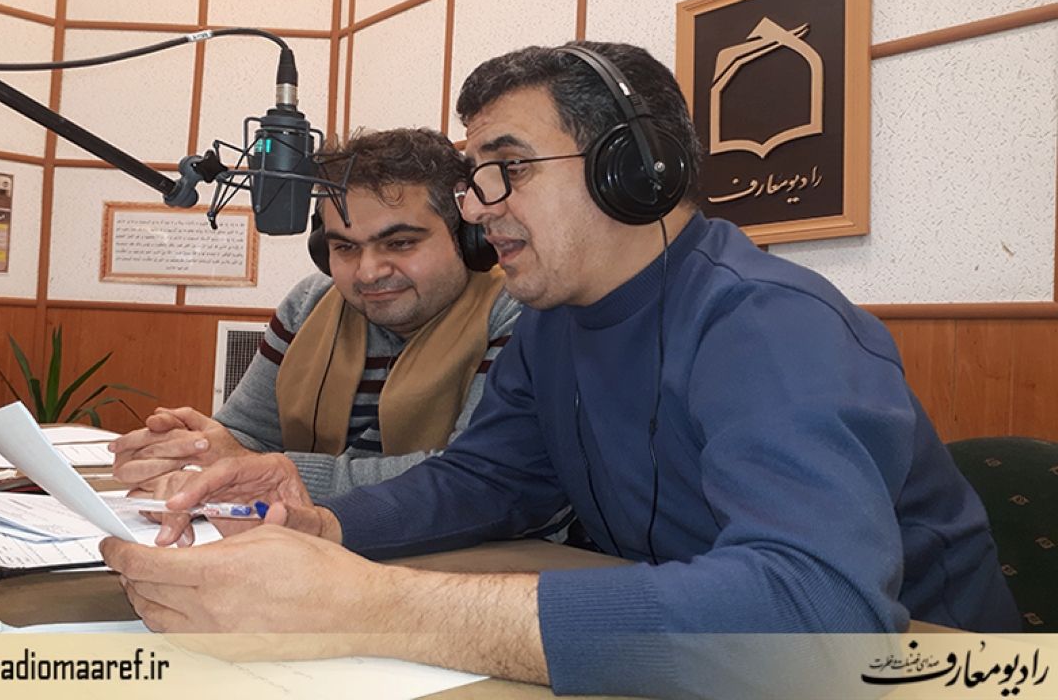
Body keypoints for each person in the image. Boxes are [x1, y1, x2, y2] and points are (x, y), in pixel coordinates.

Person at [102, 42, 1019, 697]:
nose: (476, 206)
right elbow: (488, 481)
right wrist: (320, 520)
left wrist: (378, 606)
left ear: (635, 170)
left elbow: (818, 615)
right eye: (473, 176)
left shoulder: (773, 324)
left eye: (507, 168)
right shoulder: (553, 323)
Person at [109, 127, 550, 545]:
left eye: (400, 243)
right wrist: (189, 459)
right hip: (313, 549)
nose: (368, 272)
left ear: (468, 237)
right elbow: (242, 436)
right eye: (345, 247)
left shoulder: (519, 311)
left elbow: (471, 478)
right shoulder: (310, 302)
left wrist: (257, 472)